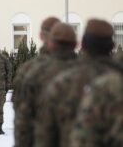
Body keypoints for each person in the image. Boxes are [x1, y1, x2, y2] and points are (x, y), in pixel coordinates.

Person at [34, 19, 121, 147]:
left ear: (82, 45)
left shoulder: (62, 82)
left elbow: (44, 135)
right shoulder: (118, 81)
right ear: (113, 46)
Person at [13, 23, 77, 147]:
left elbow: (22, 115)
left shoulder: (32, 71)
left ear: (49, 42)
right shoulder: (88, 73)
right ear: (76, 44)